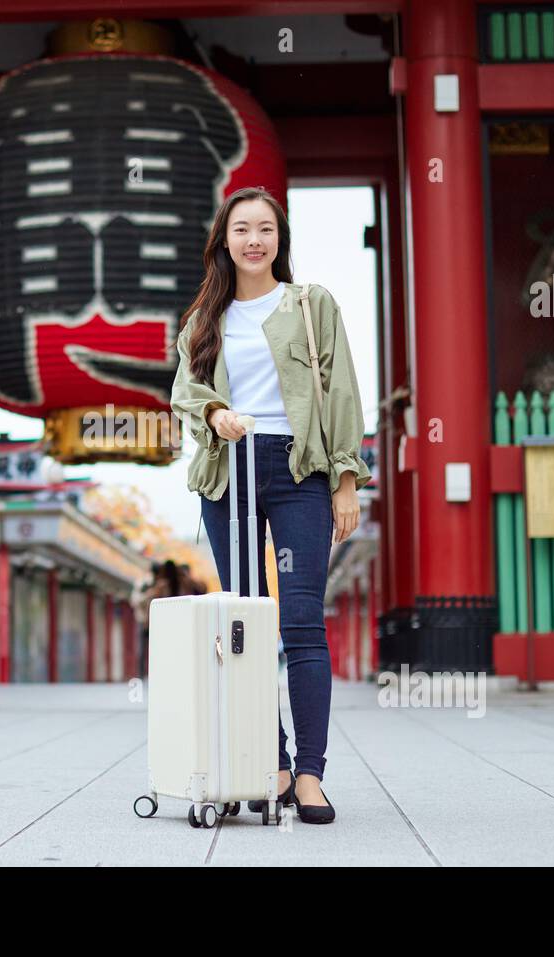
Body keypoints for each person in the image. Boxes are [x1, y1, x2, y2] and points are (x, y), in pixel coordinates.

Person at [170, 186, 372, 825]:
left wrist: (346, 479)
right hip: (229, 473)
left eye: (265, 229)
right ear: (223, 240)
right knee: (247, 627)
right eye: (241, 230)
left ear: (279, 238)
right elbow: (184, 391)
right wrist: (215, 412)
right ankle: (273, 765)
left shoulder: (311, 306)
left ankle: (310, 775)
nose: (253, 240)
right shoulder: (206, 317)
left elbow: (341, 392)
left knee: (302, 622)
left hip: (298, 470)